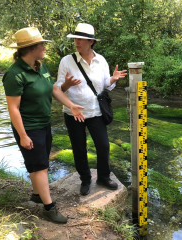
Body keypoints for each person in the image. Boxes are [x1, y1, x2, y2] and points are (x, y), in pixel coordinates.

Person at [2, 27, 85, 224]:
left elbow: (54, 88)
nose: (44, 48)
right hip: (28, 127)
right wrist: (22, 135)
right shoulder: (15, 75)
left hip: (44, 124)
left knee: (36, 163)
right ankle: (49, 208)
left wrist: (71, 105)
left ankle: (37, 195)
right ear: (31, 48)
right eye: (41, 45)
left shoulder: (41, 67)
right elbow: (13, 109)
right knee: (40, 166)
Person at [55, 23, 127, 195]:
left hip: (95, 112)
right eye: (75, 39)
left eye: (81, 39)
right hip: (74, 114)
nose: (77, 42)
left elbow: (104, 86)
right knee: (79, 149)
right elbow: (58, 89)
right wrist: (67, 84)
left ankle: (103, 177)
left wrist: (113, 79)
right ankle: (85, 179)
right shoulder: (66, 61)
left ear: (91, 42)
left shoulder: (100, 60)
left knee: (103, 146)